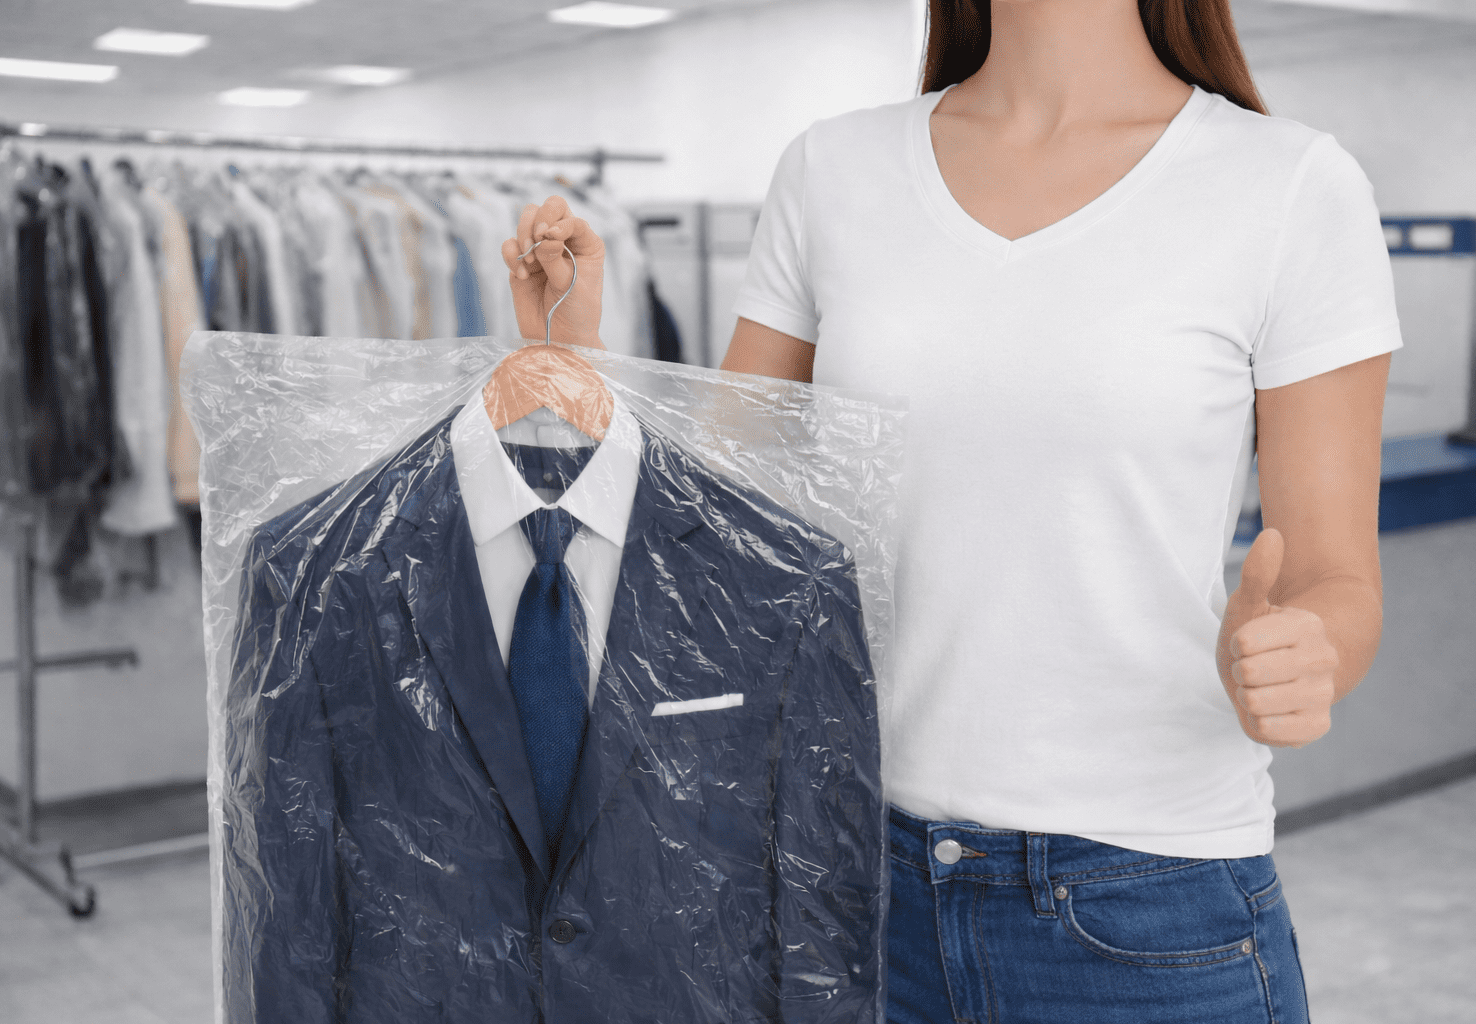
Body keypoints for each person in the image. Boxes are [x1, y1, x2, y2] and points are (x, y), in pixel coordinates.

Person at [503, 1, 1399, 1019]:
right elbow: (718, 527)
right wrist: (577, 359)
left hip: (1145, 901)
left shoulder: (1289, 186)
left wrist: (1309, 646)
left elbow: (1339, 575)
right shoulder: (832, 170)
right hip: (857, 874)